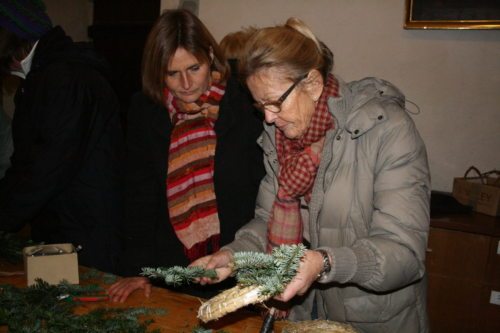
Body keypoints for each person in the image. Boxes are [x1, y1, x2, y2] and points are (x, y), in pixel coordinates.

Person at [192, 18, 431, 333]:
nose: (267, 117)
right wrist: (234, 255)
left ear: (314, 84)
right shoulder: (280, 139)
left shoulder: (389, 131)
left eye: (275, 102)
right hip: (304, 316)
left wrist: (325, 263)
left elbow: (405, 253)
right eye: (259, 105)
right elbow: (266, 220)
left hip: (373, 321)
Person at [108, 9, 265, 302]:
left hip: (239, 261)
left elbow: (264, 189)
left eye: (194, 68)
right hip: (173, 264)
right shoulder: (146, 110)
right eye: (172, 73)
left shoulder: (244, 101)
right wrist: (140, 268)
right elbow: (140, 195)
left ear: (209, 55)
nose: (186, 83)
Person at [0, 0, 124, 273]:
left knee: (80, 311)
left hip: (84, 234)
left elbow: (45, 167)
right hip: (64, 227)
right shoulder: (42, 78)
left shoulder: (65, 79)